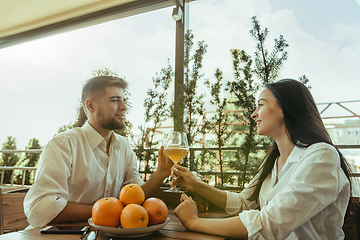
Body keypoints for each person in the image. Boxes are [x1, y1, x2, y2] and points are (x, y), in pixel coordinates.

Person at [172, 79, 352, 239]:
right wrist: (197, 185)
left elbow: (270, 224)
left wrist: (193, 222)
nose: (254, 114)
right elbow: (244, 203)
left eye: (261, 104)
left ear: (284, 108)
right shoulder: (272, 162)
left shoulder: (322, 155)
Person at [23, 76, 170, 228]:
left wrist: (160, 174)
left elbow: (136, 197)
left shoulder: (124, 146)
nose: (124, 107)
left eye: (124, 100)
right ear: (91, 105)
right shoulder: (63, 145)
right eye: (115, 100)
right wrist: (106, 211)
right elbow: (39, 208)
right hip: (55, 236)